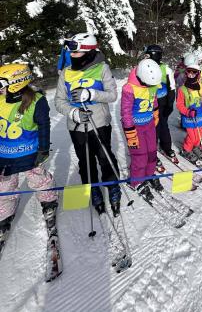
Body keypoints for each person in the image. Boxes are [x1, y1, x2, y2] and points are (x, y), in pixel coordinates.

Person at [55, 33, 121, 216]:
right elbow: (59, 101)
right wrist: (73, 113)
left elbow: (112, 95)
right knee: (85, 160)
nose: (71, 55)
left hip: (99, 123)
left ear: (87, 52)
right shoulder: (66, 72)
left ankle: (112, 185)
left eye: (75, 52)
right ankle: (93, 188)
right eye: (70, 51)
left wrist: (91, 94)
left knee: (105, 156)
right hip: (77, 126)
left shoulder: (102, 68)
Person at [0, 64, 58, 243]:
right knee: (4, 187)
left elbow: (44, 125)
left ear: (16, 83)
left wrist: (43, 149)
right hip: (5, 155)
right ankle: (4, 213)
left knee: (39, 180)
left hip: (29, 153)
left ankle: (48, 201)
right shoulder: (1, 100)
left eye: (1, 84)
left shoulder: (36, 101)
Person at [120, 58, 162, 199]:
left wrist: (155, 113)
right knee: (140, 156)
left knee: (152, 152)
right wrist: (130, 131)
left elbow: (153, 99)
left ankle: (149, 174)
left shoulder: (152, 83)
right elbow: (126, 112)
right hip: (135, 128)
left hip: (149, 124)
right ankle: (136, 181)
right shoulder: (129, 88)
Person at [144, 45, 178, 169]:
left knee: (163, 125)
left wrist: (170, 104)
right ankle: (151, 152)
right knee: (152, 129)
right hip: (148, 104)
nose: (146, 57)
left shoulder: (166, 69)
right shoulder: (143, 67)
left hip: (162, 103)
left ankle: (166, 147)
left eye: (148, 55)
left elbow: (172, 87)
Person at [176, 63, 202, 163]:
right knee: (192, 135)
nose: (191, 74)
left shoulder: (201, 87)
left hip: (199, 115)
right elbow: (179, 104)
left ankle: (195, 147)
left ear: (198, 73)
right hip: (189, 117)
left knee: (199, 134)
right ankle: (186, 150)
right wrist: (187, 112)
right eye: (189, 71)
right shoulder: (182, 89)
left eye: (194, 72)